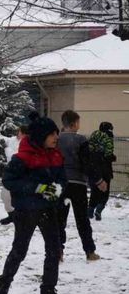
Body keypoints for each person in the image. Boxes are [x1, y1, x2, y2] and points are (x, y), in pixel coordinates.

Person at [0, 113, 66, 294]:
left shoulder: (56, 156)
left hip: (48, 208)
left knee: (54, 249)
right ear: (41, 135)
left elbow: (62, 179)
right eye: (52, 134)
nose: (55, 138)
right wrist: (36, 188)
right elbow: (9, 181)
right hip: (26, 210)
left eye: (56, 134)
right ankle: (3, 287)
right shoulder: (22, 158)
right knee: (20, 249)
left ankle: (48, 289)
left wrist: (58, 189)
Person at [57, 110, 100, 261]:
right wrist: (97, 180)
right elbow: (86, 162)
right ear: (74, 123)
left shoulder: (56, 139)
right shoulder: (81, 140)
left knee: (59, 219)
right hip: (78, 184)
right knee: (82, 219)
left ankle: (58, 251)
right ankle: (89, 251)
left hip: (60, 183)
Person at [0, 125, 27, 225]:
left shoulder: (27, 144)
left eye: (20, 132)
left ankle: (20, 216)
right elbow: (2, 139)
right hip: (11, 174)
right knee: (5, 196)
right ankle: (12, 215)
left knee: (18, 197)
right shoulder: (13, 140)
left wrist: (6, 148)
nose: (18, 133)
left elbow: (13, 157)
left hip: (21, 174)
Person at [88, 122, 115, 220]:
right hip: (105, 169)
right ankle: (99, 210)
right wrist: (112, 157)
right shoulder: (108, 138)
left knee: (94, 191)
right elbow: (108, 155)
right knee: (105, 192)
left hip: (93, 169)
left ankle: (90, 211)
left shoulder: (94, 137)